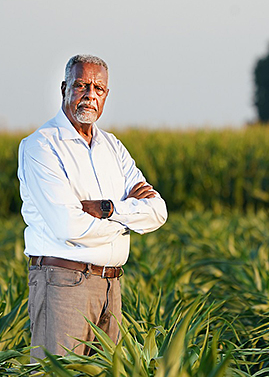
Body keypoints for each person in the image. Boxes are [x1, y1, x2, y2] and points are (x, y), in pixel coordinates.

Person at [17, 54, 167, 360]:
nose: (90, 95)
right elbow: (66, 225)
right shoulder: (42, 146)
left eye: (98, 88)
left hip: (111, 285)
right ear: (64, 88)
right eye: (81, 85)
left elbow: (158, 211)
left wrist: (109, 209)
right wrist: (128, 223)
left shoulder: (113, 147)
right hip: (63, 282)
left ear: (106, 95)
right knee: (55, 371)